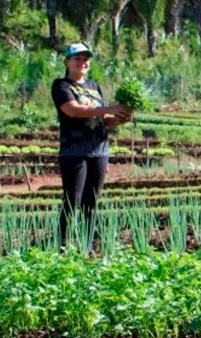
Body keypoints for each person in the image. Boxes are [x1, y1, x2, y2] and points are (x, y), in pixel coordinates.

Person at [51, 43, 131, 249]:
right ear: (67, 62)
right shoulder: (61, 86)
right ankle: (61, 246)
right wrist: (108, 108)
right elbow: (73, 110)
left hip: (99, 149)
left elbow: (105, 119)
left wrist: (121, 117)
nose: (82, 63)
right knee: (73, 199)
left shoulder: (94, 87)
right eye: (77, 58)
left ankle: (87, 246)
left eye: (85, 59)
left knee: (91, 201)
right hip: (74, 150)